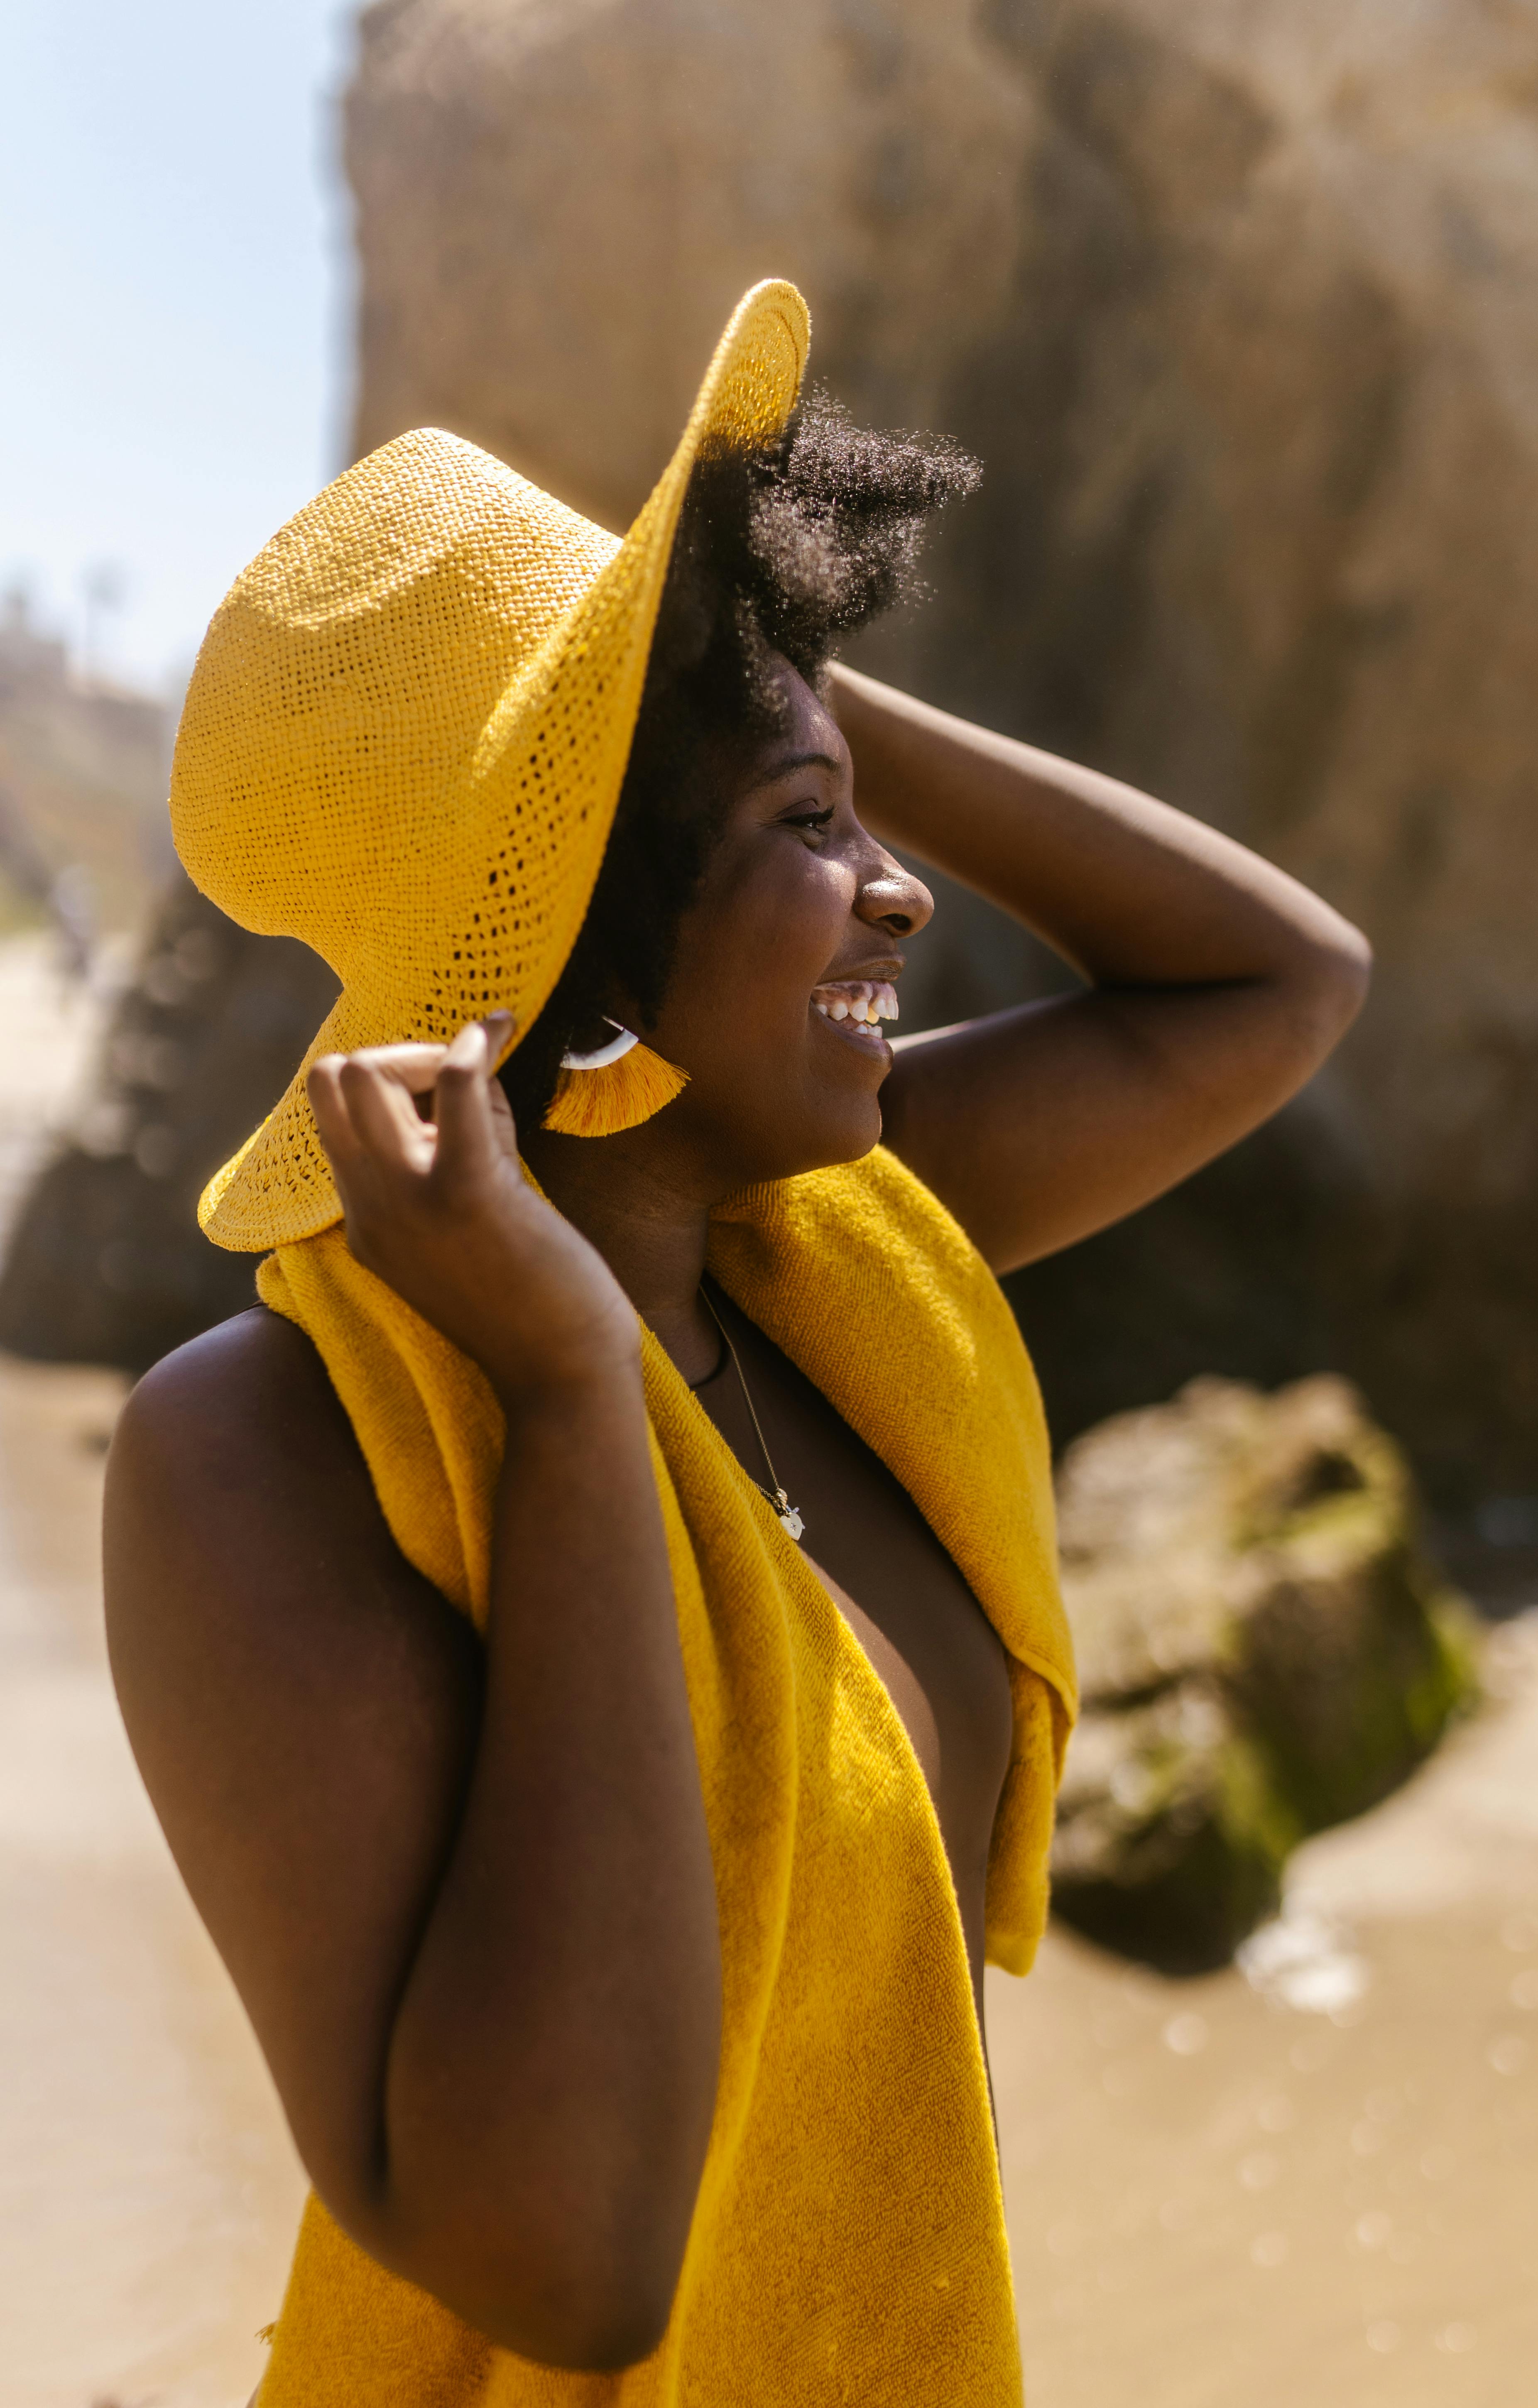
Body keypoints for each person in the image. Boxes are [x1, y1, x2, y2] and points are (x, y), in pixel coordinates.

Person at [103, 284, 1368, 2405]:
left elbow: (1272, 980)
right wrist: (577, 1393)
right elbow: (576, 2267)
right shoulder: (273, 1449)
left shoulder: (826, 1256)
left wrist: (761, 675)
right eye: (810, 831)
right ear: (591, 917)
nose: (902, 894)